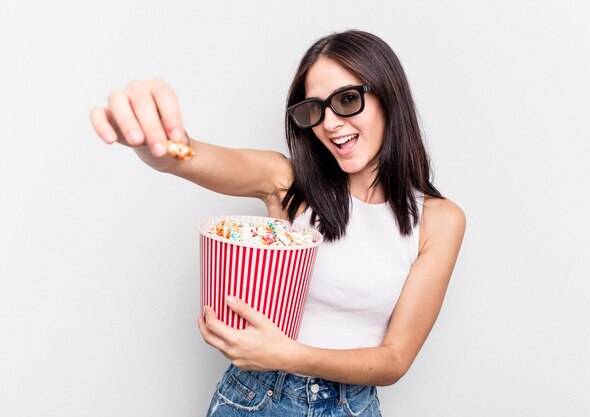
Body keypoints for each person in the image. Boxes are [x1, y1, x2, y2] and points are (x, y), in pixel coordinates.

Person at [90, 30, 465, 417]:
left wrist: (289, 355)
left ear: (389, 96)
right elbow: (187, 157)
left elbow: (395, 360)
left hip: (349, 408)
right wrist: (156, 141)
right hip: (254, 399)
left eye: (347, 100)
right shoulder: (288, 183)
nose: (331, 124)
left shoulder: (440, 220)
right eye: (315, 110)